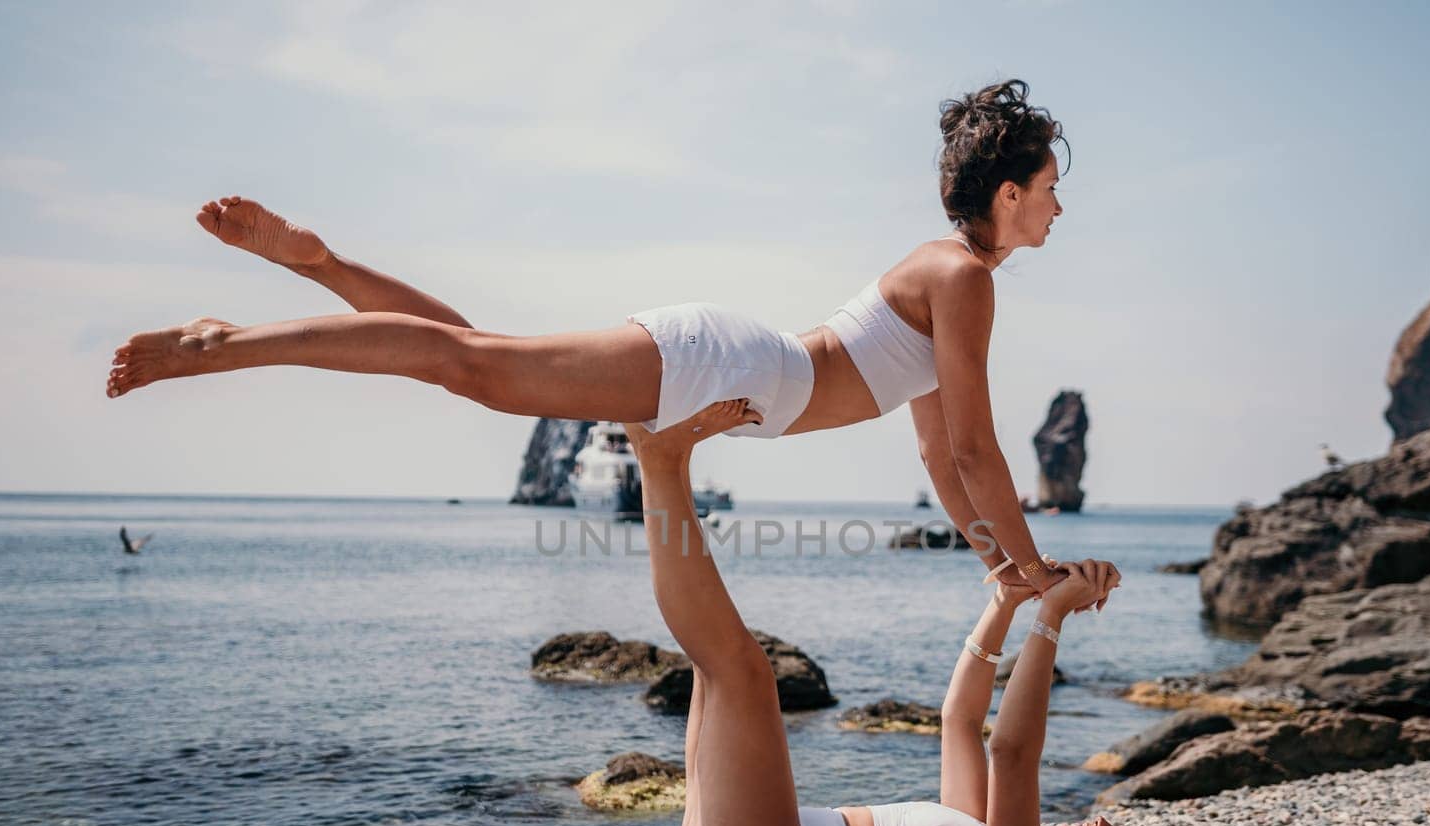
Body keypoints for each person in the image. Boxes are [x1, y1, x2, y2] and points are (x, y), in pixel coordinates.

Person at [106, 80, 1068, 594]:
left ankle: (321, 266)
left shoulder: (949, 280)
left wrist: (1005, 574)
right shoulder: (963, 280)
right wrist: (1038, 568)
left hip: (736, 369)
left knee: (474, 357)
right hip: (728, 367)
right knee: (473, 366)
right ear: (1009, 191)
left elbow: (945, 457)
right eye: (1051, 187)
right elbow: (981, 451)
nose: (1060, 206)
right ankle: (222, 343)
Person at [626, 400, 1191, 826]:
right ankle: (659, 453)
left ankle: (660, 458)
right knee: (711, 663)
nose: (1102, 822)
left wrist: (1053, 618)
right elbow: (961, 721)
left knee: (740, 669)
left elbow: (1013, 755)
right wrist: (1003, 603)